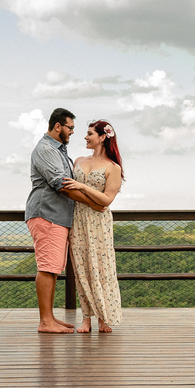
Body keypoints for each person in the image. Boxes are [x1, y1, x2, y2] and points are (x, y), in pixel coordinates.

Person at [25, 108, 103, 334]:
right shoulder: (46, 149)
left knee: (53, 267)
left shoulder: (59, 151)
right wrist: (93, 202)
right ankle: (45, 321)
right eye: (70, 128)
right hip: (47, 213)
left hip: (56, 216)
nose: (72, 133)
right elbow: (61, 184)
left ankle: (49, 317)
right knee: (47, 267)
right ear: (57, 126)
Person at [63, 120, 124, 333]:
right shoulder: (78, 160)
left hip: (99, 223)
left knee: (101, 268)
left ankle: (103, 317)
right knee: (82, 269)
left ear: (103, 137)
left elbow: (107, 200)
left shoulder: (112, 167)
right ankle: (86, 317)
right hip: (77, 218)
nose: (85, 137)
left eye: (89, 133)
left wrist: (81, 185)